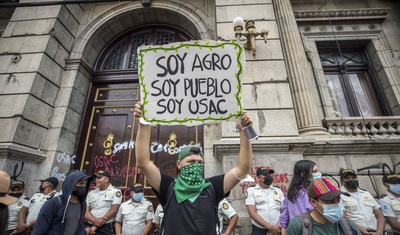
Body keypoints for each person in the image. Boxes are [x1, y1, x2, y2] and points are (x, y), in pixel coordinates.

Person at [134, 102, 253, 235]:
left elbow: (242, 169)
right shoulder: (167, 186)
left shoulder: (213, 187)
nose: (196, 165)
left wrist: (244, 132)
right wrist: (143, 124)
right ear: (179, 164)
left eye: (200, 162)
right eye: (191, 161)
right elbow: (143, 162)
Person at [286, 177, 361, 235]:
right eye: (329, 201)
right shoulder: (298, 226)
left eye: (338, 200)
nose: (335, 204)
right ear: (313, 202)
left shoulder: (348, 226)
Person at [339, 168, 385, 235]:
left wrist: (379, 232)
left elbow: (379, 215)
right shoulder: (340, 196)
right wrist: (363, 231)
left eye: (353, 177)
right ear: (342, 181)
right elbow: (344, 217)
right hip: (355, 232)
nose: (351, 180)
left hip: (375, 232)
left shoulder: (366, 194)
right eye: (347, 178)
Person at [280, 160, 320, 234]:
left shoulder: (291, 193)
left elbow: (284, 219)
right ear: (303, 174)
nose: (318, 174)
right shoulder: (309, 192)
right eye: (315, 171)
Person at [245, 166, 284, 235]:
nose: (268, 177)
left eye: (269, 175)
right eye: (265, 175)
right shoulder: (251, 191)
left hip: (277, 230)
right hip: (259, 230)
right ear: (259, 178)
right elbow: (252, 213)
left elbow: (284, 211)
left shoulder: (278, 191)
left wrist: (277, 226)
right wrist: (270, 227)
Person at [85, 170, 122, 235]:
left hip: (105, 227)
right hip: (89, 225)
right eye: (96, 178)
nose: (96, 180)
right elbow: (86, 211)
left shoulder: (115, 192)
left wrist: (95, 226)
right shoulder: (91, 193)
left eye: (99, 178)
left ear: (106, 179)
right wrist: (94, 220)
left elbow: (114, 210)